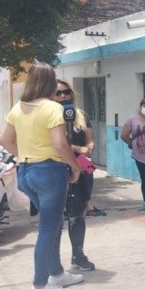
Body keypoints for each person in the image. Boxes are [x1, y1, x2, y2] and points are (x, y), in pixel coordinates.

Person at [0, 63, 84, 289]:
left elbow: (5, 140)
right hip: (49, 173)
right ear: (49, 82)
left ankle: (57, 273)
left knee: (53, 224)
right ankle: (39, 286)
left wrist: (27, 155)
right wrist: (75, 166)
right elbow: (60, 144)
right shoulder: (53, 108)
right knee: (48, 228)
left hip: (26, 172)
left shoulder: (18, 108)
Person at [53, 79, 96, 271]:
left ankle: (78, 255)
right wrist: (77, 148)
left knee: (77, 215)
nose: (63, 96)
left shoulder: (80, 115)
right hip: (56, 169)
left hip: (81, 168)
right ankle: (53, 265)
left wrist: (88, 148)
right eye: (58, 93)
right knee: (54, 219)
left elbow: (90, 139)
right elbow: (55, 143)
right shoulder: (49, 115)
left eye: (66, 92)